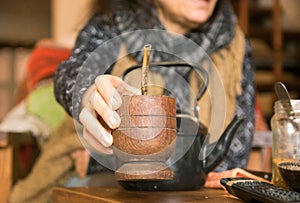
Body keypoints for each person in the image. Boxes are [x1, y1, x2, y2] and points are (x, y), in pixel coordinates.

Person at [54, 0, 255, 182]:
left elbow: (236, 150)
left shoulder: (233, 43)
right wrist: (89, 95)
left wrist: (96, 162)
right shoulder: (112, 23)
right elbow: (71, 73)